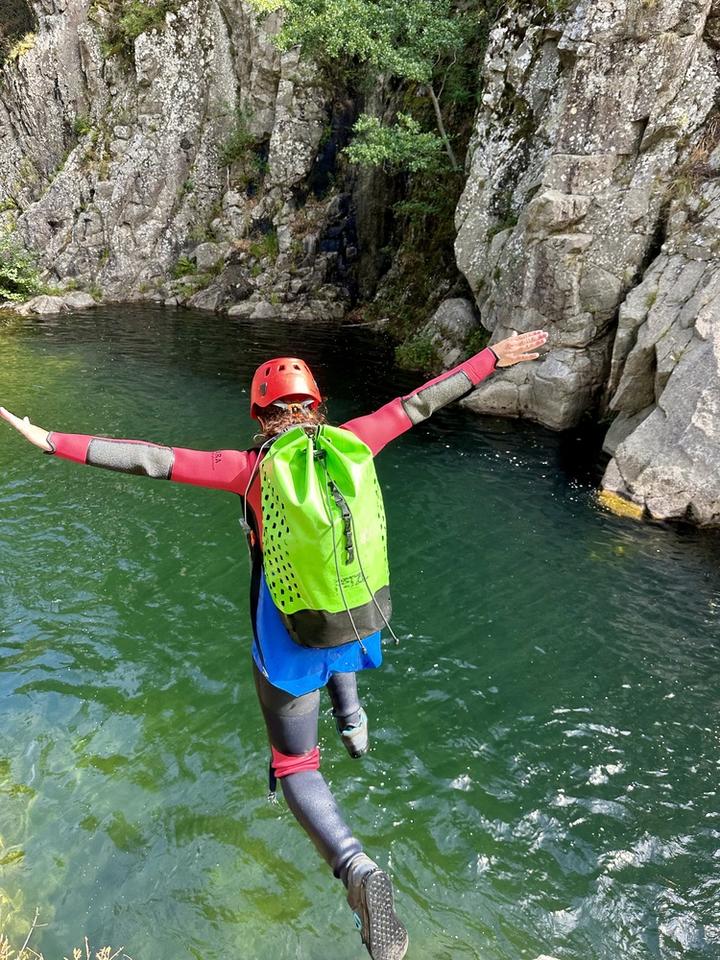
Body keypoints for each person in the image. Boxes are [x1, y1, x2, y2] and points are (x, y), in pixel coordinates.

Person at [1, 329, 547, 960]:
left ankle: (358, 870)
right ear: (318, 406)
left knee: (295, 766)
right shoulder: (358, 440)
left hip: (289, 632)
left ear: (260, 415)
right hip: (359, 612)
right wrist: (493, 359)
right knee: (336, 641)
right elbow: (420, 402)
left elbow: (150, 457)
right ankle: (354, 723)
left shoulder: (248, 469)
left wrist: (50, 442)